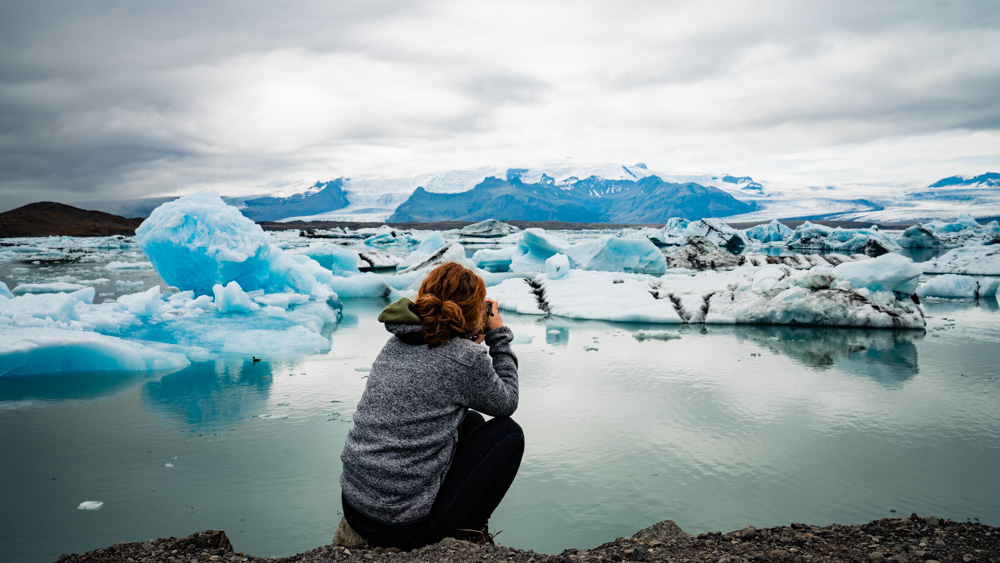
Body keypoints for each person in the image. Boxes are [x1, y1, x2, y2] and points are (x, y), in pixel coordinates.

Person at [340, 261, 523, 548]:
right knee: (509, 434)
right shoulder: (465, 358)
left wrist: (467, 338)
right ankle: (467, 534)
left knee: (471, 420)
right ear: (473, 308)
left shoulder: (398, 339)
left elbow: (441, 369)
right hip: (401, 526)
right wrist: (498, 335)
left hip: (356, 506)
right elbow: (507, 401)